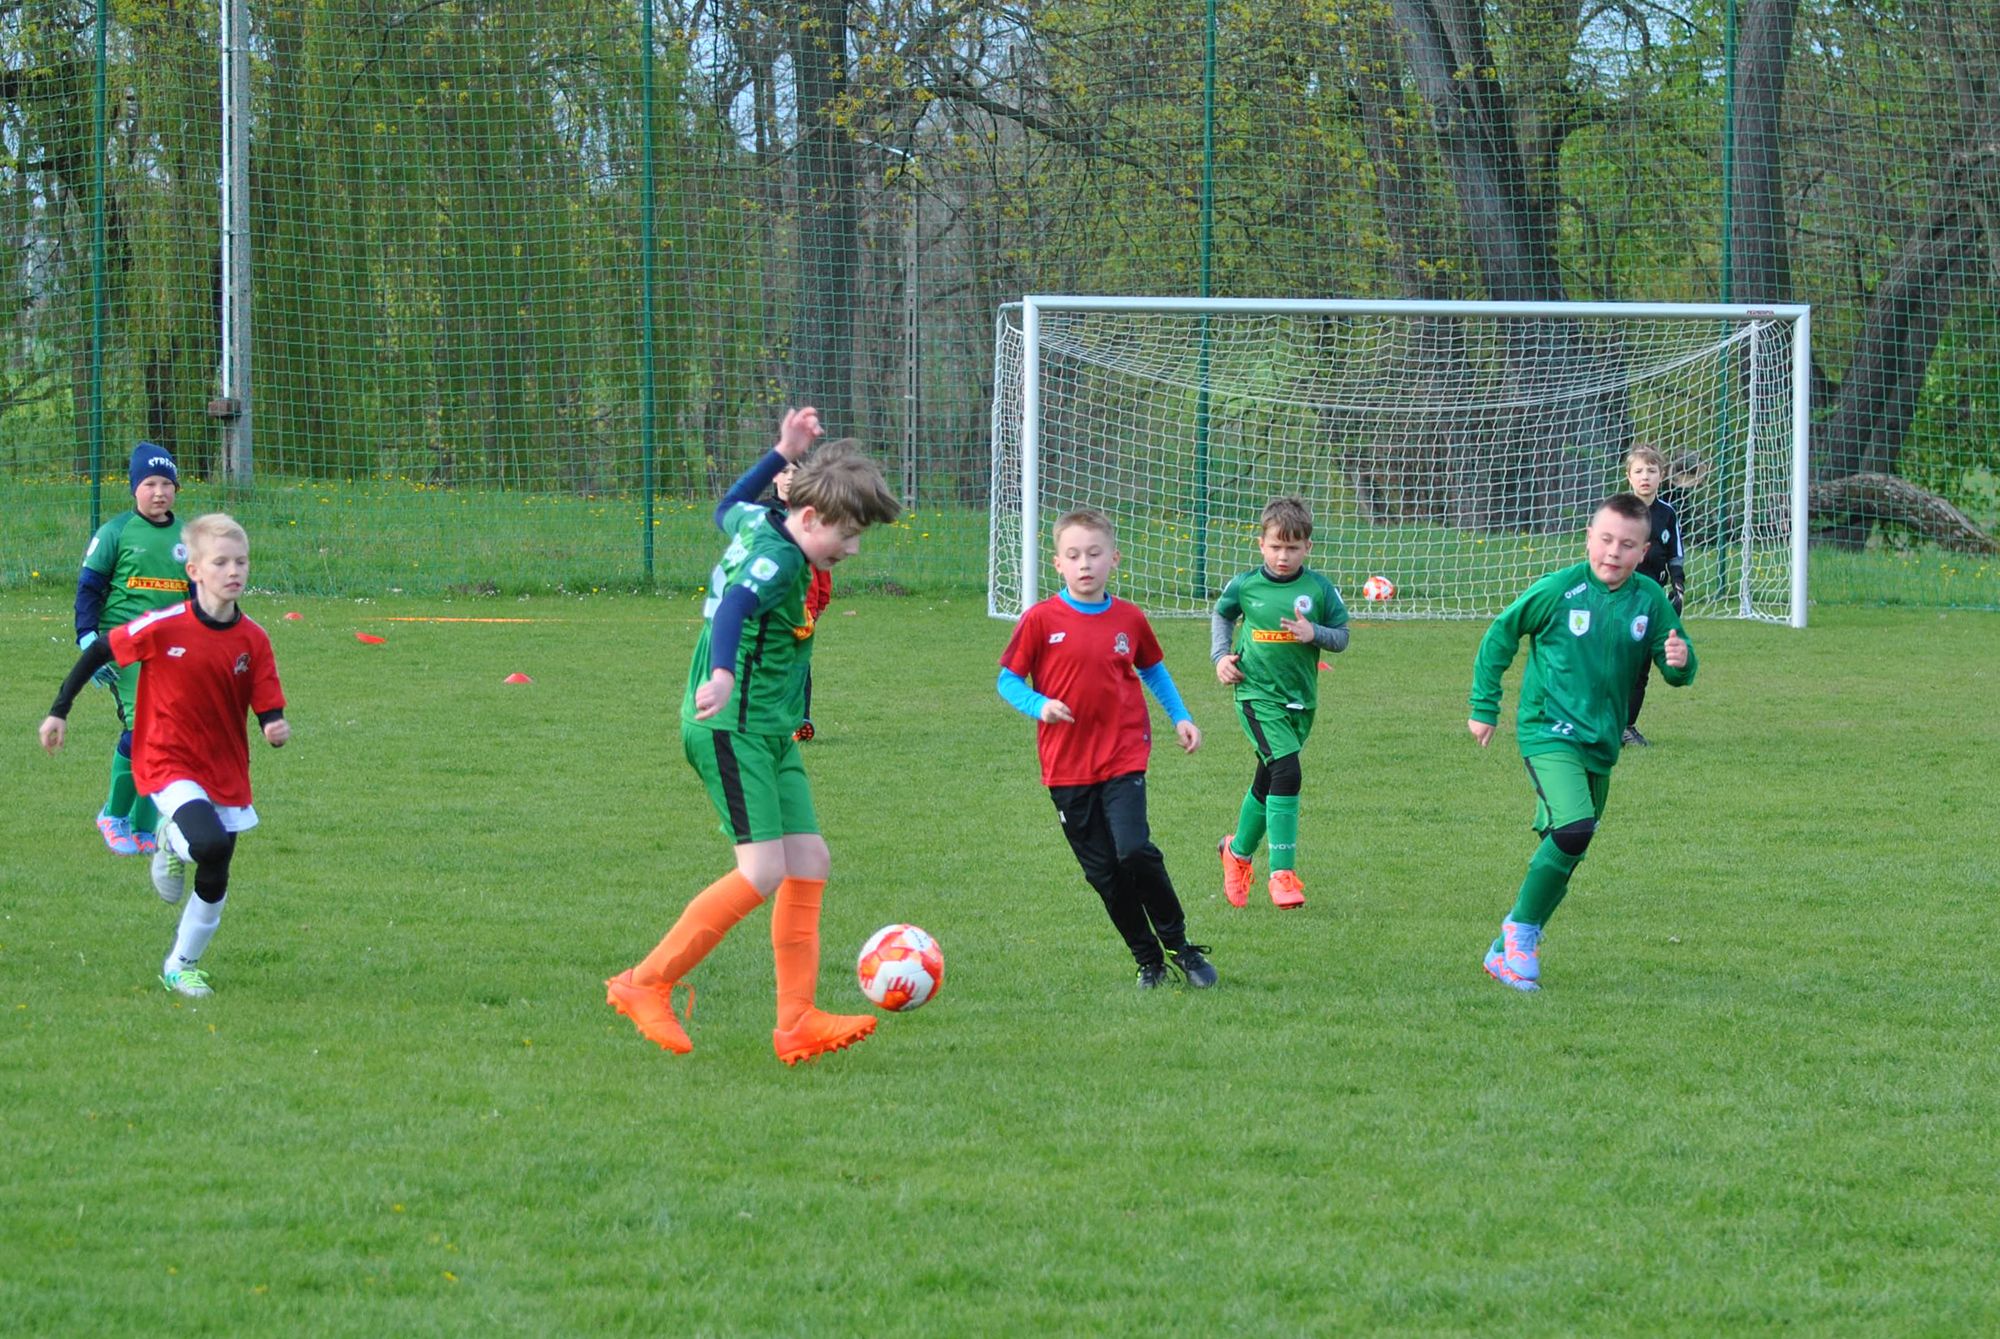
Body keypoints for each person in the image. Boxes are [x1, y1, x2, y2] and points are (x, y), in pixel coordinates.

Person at [605, 407, 903, 1064]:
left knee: (809, 861)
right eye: (848, 536)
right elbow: (738, 603)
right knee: (763, 869)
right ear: (812, 518)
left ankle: (795, 1021)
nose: (852, 550)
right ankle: (643, 982)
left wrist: (780, 452)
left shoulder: (762, 521)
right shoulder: (780, 560)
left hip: (768, 728)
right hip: (729, 725)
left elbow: (728, 505)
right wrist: (719, 673)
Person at [40, 513, 290, 999]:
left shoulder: (253, 638)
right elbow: (99, 653)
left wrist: (272, 723)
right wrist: (59, 712)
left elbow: (265, 694)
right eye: (220, 562)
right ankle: (172, 841)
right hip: (164, 759)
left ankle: (181, 964)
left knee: (217, 871)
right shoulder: (163, 626)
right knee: (209, 844)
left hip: (225, 766)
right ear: (193, 571)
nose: (233, 571)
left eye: (241, 561)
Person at [1466, 493, 1696, 992]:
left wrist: (1682, 660)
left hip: (1601, 740)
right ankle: (1521, 932)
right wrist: (1485, 708)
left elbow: (1675, 665)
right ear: (1589, 537)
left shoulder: (1648, 600)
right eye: (1606, 539)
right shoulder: (1559, 589)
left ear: (1643, 552)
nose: (1613, 552)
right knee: (1574, 829)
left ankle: (1504, 949)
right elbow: (1500, 636)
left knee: (1569, 844)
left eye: (1627, 545)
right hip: (1547, 729)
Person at [996, 508, 1218, 989]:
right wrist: (1040, 705)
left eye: (1094, 554)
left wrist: (1180, 716)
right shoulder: (1039, 620)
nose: (1085, 565)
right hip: (1065, 768)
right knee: (1104, 873)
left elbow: (1153, 669)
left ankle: (1181, 946)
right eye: (1074, 556)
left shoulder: (1129, 618)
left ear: (1112, 558)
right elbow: (1007, 680)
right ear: (1057, 563)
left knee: (1134, 850)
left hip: (1123, 755)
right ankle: (1148, 961)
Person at [1212, 496, 1350, 910]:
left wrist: (1316, 634)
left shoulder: (1320, 589)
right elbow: (1222, 614)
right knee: (1287, 771)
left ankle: (1235, 852)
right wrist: (1221, 657)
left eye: (1292, 547)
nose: (1283, 555)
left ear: (1307, 547)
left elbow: (1341, 637)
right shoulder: (1247, 585)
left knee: (1269, 777)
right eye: (1275, 547)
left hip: (1300, 701)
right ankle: (1281, 874)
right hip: (1256, 693)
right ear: (1261, 545)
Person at [72, 442, 192, 856]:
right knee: (142, 727)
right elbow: (88, 590)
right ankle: (114, 815)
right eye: (149, 483)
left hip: (171, 650)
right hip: (123, 649)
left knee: (167, 733)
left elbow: (200, 598)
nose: (159, 492)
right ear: (134, 489)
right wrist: (89, 641)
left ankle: (143, 825)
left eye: (166, 484)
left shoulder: (187, 538)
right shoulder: (115, 532)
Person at [1621, 445, 1686, 747]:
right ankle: (1595, 722)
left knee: (1641, 665)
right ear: (1629, 477)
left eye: (1651, 470)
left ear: (1662, 475)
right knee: (1610, 660)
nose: (1645, 476)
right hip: (1619, 596)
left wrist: (1679, 587)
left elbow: (1675, 553)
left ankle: (1626, 727)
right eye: (1638, 471)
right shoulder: (1618, 510)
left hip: (1651, 600)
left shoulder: (1668, 513)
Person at [770, 457, 838, 742]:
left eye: (795, 473)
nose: (789, 477)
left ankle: (801, 719)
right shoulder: (763, 514)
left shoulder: (811, 516)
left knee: (799, 660)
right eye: (783, 471)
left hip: (802, 605)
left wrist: (820, 600)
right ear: (773, 476)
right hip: (770, 603)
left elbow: (822, 561)